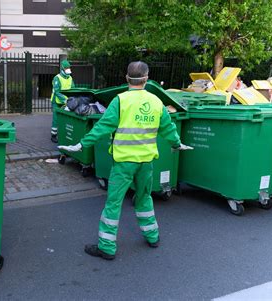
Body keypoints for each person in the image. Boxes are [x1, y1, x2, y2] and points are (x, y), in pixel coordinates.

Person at [58, 61, 193, 260]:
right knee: (144, 197)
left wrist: (81, 144)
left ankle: (107, 247)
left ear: (127, 79)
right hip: (146, 163)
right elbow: (168, 128)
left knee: (114, 202)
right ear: (147, 79)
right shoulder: (156, 102)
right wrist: (177, 144)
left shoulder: (120, 101)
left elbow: (102, 127)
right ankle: (152, 236)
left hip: (123, 164)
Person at [50, 59, 75, 143]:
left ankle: (63, 134)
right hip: (56, 101)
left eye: (69, 67)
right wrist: (66, 100)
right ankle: (53, 135)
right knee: (56, 118)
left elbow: (73, 89)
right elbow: (57, 92)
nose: (68, 69)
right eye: (66, 68)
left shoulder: (70, 78)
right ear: (62, 68)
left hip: (66, 101)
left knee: (65, 118)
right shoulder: (57, 78)